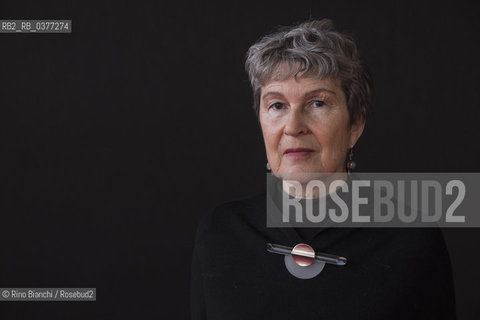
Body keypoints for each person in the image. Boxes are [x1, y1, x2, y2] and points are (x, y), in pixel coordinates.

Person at [190, 19, 455, 319]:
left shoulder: (411, 239)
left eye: (317, 103)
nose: (293, 127)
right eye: (277, 105)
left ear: (355, 124)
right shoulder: (220, 233)